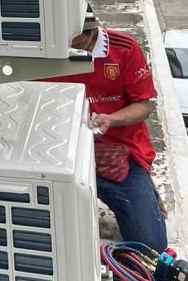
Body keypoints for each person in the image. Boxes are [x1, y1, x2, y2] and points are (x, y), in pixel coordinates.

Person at [49, 15, 167, 252]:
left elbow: (143, 106)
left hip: (120, 154)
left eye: (77, 44)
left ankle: (144, 190)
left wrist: (112, 120)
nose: (71, 49)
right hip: (62, 151)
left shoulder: (124, 49)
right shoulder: (48, 51)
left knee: (150, 245)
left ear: (92, 33)